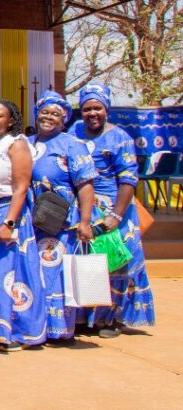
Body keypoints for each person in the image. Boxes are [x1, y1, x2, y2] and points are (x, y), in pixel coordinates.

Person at [73, 83, 155, 336]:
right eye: (87, 109)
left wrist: (115, 216)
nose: (92, 113)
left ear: (106, 109)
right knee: (89, 261)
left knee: (117, 262)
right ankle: (86, 316)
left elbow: (128, 180)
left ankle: (113, 319)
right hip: (85, 207)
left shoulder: (120, 138)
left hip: (114, 208)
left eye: (97, 108)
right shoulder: (74, 132)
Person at [0, 100, 47, 350]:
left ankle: (16, 332)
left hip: (7, 212)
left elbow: (21, 187)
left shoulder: (16, 144)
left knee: (10, 275)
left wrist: (9, 222)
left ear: (10, 120)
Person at [29, 90, 98, 343]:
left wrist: (85, 221)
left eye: (55, 114)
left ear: (64, 119)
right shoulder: (27, 142)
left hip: (61, 222)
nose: (48, 117)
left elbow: (85, 185)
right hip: (32, 221)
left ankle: (58, 329)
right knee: (35, 273)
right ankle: (36, 327)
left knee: (55, 273)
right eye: (44, 112)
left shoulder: (72, 144)